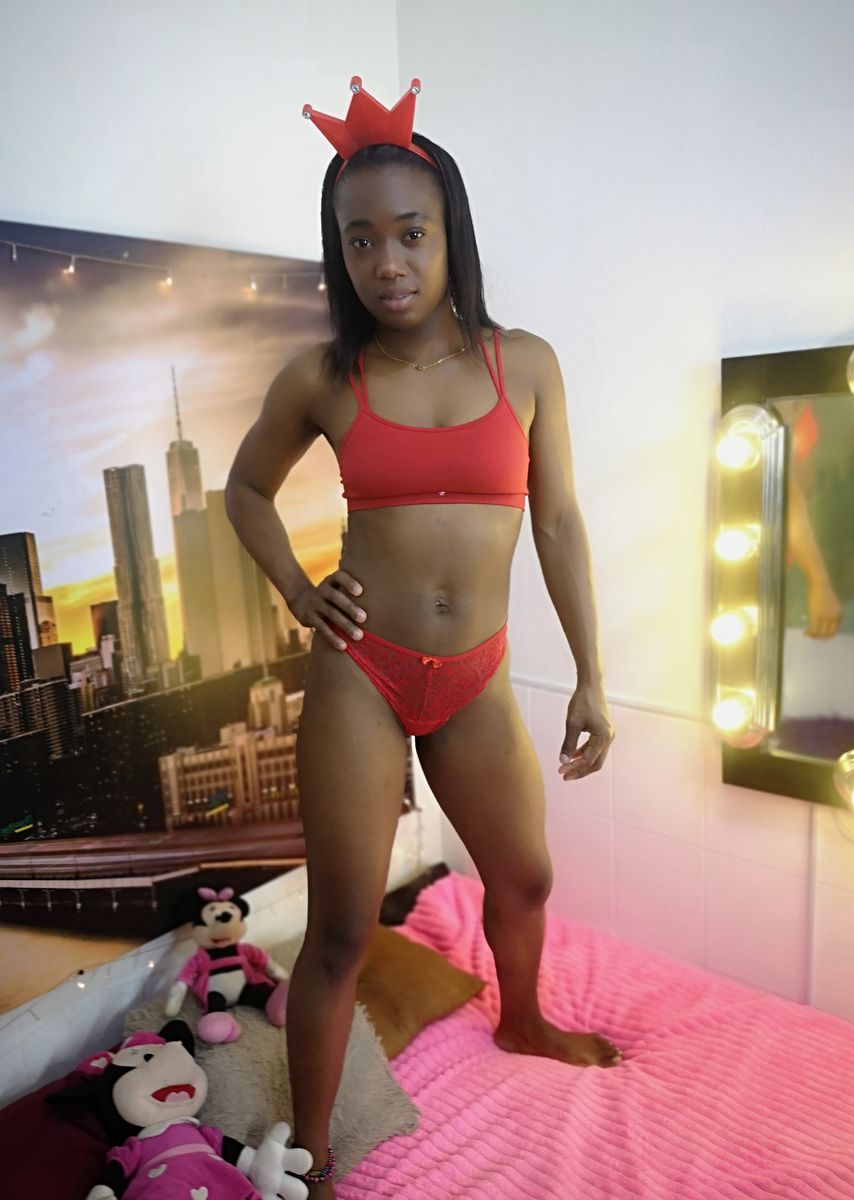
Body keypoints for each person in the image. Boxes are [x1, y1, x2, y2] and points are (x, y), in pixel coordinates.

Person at [224, 77, 620, 1194]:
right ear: (339, 253)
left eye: (409, 233)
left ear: (451, 235)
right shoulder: (323, 376)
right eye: (359, 241)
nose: (386, 262)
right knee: (342, 930)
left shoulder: (523, 363)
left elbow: (558, 522)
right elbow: (245, 491)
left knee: (525, 878)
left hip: (477, 676)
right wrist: (298, 592)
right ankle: (312, 1152)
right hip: (363, 673)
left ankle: (523, 1019)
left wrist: (593, 676)